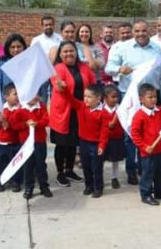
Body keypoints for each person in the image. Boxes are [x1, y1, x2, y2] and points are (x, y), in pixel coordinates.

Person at [105, 20, 161, 185]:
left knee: (149, 133)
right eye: (137, 31)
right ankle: (131, 170)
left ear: (149, 31)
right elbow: (108, 67)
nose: (140, 34)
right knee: (130, 136)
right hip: (130, 97)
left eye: (143, 31)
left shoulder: (157, 49)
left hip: (151, 97)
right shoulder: (123, 48)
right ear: (133, 32)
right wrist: (120, 69)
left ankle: (144, 167)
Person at [49, 40, 94, 187]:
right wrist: (61, 85)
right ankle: (60, 173)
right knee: (61, 144)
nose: (69, 54)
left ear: (76, 52)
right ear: (60, 55)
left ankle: (69, 170)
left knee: (73, 144)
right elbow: (57, 85)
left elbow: (93, 84)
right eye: (65, 51)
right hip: (63, 113)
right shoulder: (57, 68)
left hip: (79, 112)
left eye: (71, 50)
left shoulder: (84, 67)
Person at [59, 82, 109, 198]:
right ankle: (89, 186)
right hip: (83, 143)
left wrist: (102, 145)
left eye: (89, 97)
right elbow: (70, 99)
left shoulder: (103, 113)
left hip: (96, 144)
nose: (86, 99)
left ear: (98, 98)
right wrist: (65, 88)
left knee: (96, 167)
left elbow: (105, 131)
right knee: (86, 166)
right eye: (85, 96)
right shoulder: (81, 107)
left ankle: (98, 188)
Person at [130, 83, 161, 206]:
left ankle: (160, 192)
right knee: (148, 174)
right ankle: (146, 194)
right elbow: (135, 134)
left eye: (155, 96)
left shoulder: (159, 111)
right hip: (147, 152)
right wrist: (144, 146)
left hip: (160, 149)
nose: (153, 99)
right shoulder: (139, 115)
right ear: (141, 99)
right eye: (150, 97)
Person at [10, 94, 52, 200]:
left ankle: (44, 186)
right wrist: (25, 124)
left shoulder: (41, 107)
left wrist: (36, 123)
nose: (35, 97)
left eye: (37, 94)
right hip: (26, 143)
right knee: (28, 165)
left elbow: (46, 120)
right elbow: (14, 125)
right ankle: (29, 187)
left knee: (41, 165)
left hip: (39, 141)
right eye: (32, 94)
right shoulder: (20, 109)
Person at [0, 83, 22, 193]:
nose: (17, 96)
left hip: (15, 142)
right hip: (1, 141)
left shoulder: (19, 109)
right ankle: (0, 180)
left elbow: (13, 125)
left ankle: (16, 181)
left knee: (14, 163)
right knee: (1, 162)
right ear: (6, 97)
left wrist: (6, 122)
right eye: (15, 94)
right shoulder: (1, 109)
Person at [31, 15, 62, 103]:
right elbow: (33, 58)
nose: (48, 27)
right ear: (42, 26)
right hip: (41, 74)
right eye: (46, 25)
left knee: (56, 99)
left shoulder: (60, 39)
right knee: (42, 100)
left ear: (53, 25)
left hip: (56, 73)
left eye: (50, 25)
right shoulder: (36, 40)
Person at [102, 85, 126, 189]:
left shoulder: (120, 109)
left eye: (117, 97)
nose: (115, 99)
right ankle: (100, 178)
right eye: (113, 97)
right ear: (105, 98)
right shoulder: (101, 110)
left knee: (115, 159)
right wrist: (108, 125)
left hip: (117, 138)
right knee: (101, 159)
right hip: (105, 139)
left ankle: (114, 177)